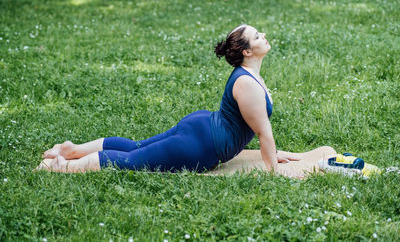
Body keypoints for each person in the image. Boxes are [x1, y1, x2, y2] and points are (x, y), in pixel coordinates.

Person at [38, 24, 329, 177]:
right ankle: (63, 166)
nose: (263, 34)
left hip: (202, 129)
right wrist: (274, 170)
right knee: (135, 161)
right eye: (256, 35)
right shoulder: (247, 83)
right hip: (200, 144)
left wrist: (271, 154)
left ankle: (72, 149)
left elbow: (249, 128)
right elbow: (263, 132)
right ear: (247, 52)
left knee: (140, 147)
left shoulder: (250, 77)